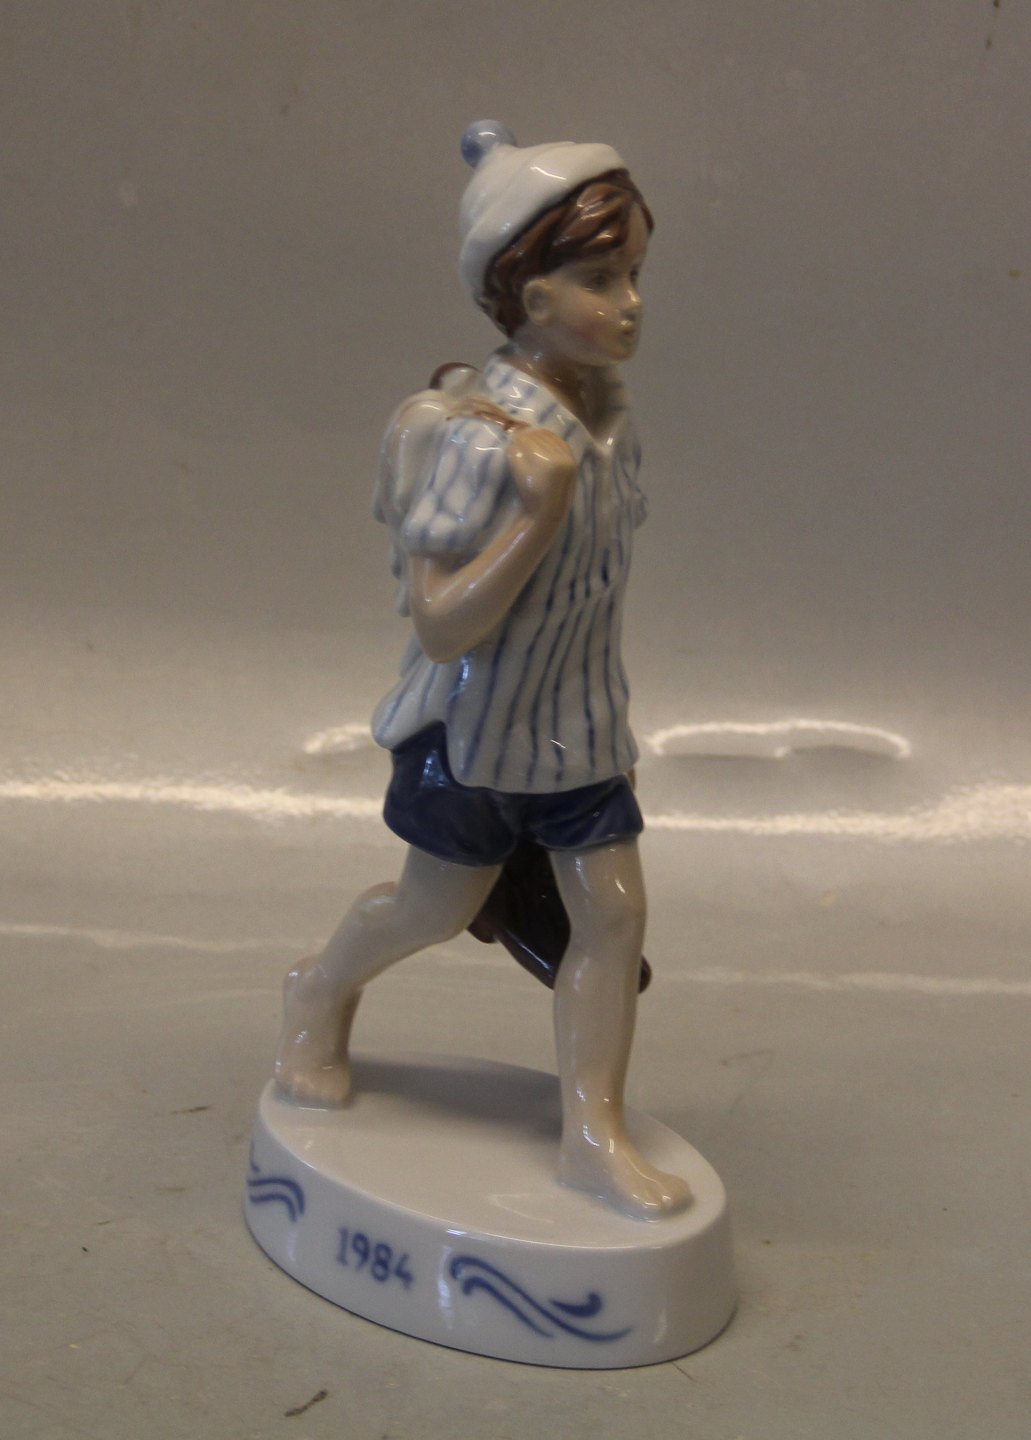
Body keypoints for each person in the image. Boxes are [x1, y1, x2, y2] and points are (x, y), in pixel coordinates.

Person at [274, 122, 690, 1220]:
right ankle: (316, 992)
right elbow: (442, 625)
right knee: (428, 908)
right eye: (599, 279)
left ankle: (591, 1134)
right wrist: (534, 512)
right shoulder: (471, 438)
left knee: (613, 919)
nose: (630, 303)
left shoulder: (611, 423)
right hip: (473, 734)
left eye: (634, 274)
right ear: (528, 295)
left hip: (580, 732)